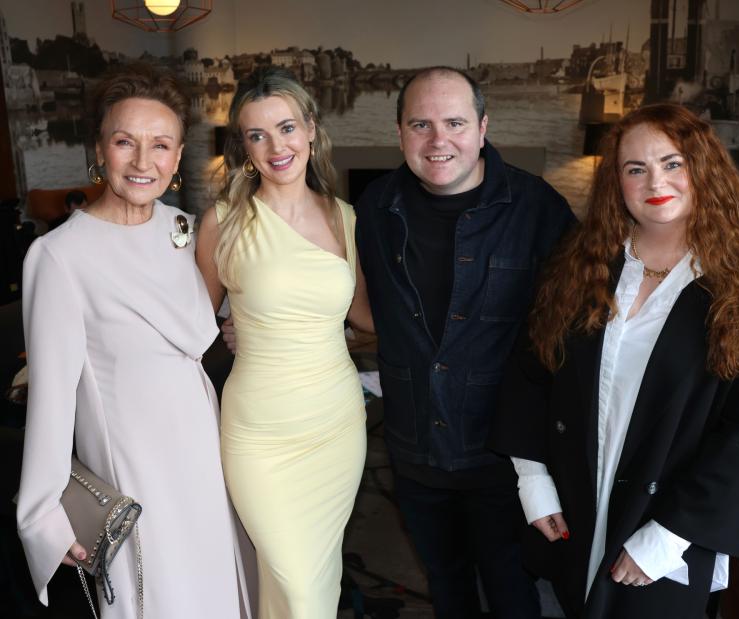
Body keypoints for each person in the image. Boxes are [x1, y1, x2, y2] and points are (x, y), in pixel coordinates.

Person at [491, 103, 739, 618]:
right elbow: (532, 371)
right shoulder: (581, 264)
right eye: (636, 168)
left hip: (667, 528)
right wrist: (534, 483)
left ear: (704, 169)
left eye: (672, 163)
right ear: (617, 182)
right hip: (573, 507)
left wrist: (667, 537)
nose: (656, 180)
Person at [16, 65, 249, 618]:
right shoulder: (59, 257)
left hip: (207, 454)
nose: (143, 162)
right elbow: (51, 399)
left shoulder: (185, 230)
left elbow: (205, 324)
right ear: (99, 149)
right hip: (137, 470)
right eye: (125, 142)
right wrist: (44, 514)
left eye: (160, 145)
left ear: (176, 157)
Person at [354, 67, 575, 618]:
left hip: (505, 454)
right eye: (420, 124)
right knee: (446, 585)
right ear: (400, 133)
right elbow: (338, 297)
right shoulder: (373, 209)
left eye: (454, 122)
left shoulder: (537, 207)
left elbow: (577, 325)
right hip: (413, 448)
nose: (438, 140)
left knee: (512, 588)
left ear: (482, 127)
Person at [195, 67, 372, 619]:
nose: (276, 146)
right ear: (243, 146)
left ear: (311, 130)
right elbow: (190, 330)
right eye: (257, 134)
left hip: (335, 426)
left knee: (315, 579)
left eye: (287, 127)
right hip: (258, 434)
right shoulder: (222, 222)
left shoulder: (346, 219)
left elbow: (367, 319)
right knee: (296, 583)